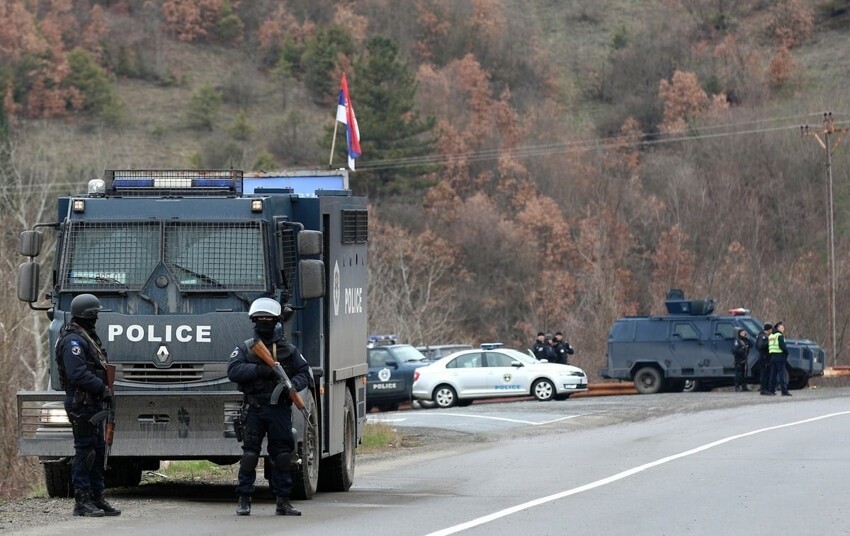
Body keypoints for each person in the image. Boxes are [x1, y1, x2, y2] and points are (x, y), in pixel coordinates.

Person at [227, 298, 313, 516]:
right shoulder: (246, 348)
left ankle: (283, 501)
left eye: (268, 319)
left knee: (283, 455)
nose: (264, 323)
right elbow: (233, 371)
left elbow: (305, 373)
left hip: (279, 410)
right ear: (254, 321)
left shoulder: (288, 350)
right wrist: (260, 371)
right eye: (260, 319)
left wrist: (292, 385)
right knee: (249, 456)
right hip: (255, 409)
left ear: (276, 321)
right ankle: (244, 499)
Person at [56, 294, 121, 517]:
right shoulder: (73, 341)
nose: (97, 319)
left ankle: (97, 497)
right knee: (85, 451)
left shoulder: (86, 337)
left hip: (92, 403)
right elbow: (77, 374)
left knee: (98, 450)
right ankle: (81, 501)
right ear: (89, 315)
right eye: (95, 314)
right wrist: (101, 388)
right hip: (81, 403)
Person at [767, 321, 791, 396]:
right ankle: (784, 391)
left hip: (772, 356)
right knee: (782, 374)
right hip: (780, 356)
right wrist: (787, 352)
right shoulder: (779, 336)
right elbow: (782, 346)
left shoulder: (771, 336)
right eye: (782, 327)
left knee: (773, 374)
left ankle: (771, 390)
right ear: (778, 328)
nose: (783, 329)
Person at [756, 323, 773, 395]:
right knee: (764, 374)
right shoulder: (762, 336)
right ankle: (764, 389)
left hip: (767, 357)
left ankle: (767, 389)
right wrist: (768, 342)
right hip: (764, 357)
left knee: (767, 373)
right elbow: (760, 346)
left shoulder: (765, 336)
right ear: (769, 329)